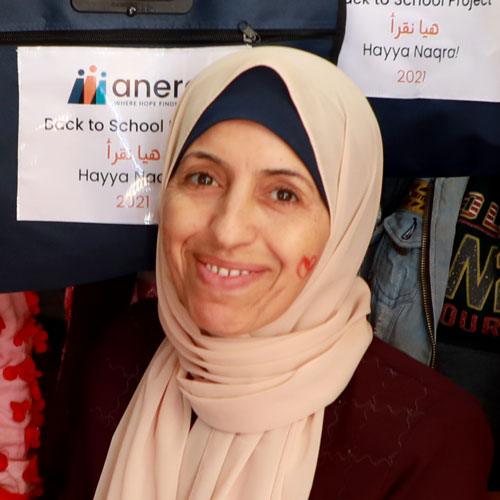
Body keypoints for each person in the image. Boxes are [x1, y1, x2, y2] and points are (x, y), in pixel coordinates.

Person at [91, 47, 492, 499]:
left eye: (282, 194)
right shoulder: (120, 354)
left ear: (344, 223)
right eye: (203, 179)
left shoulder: (429, 437)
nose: (227, 231)